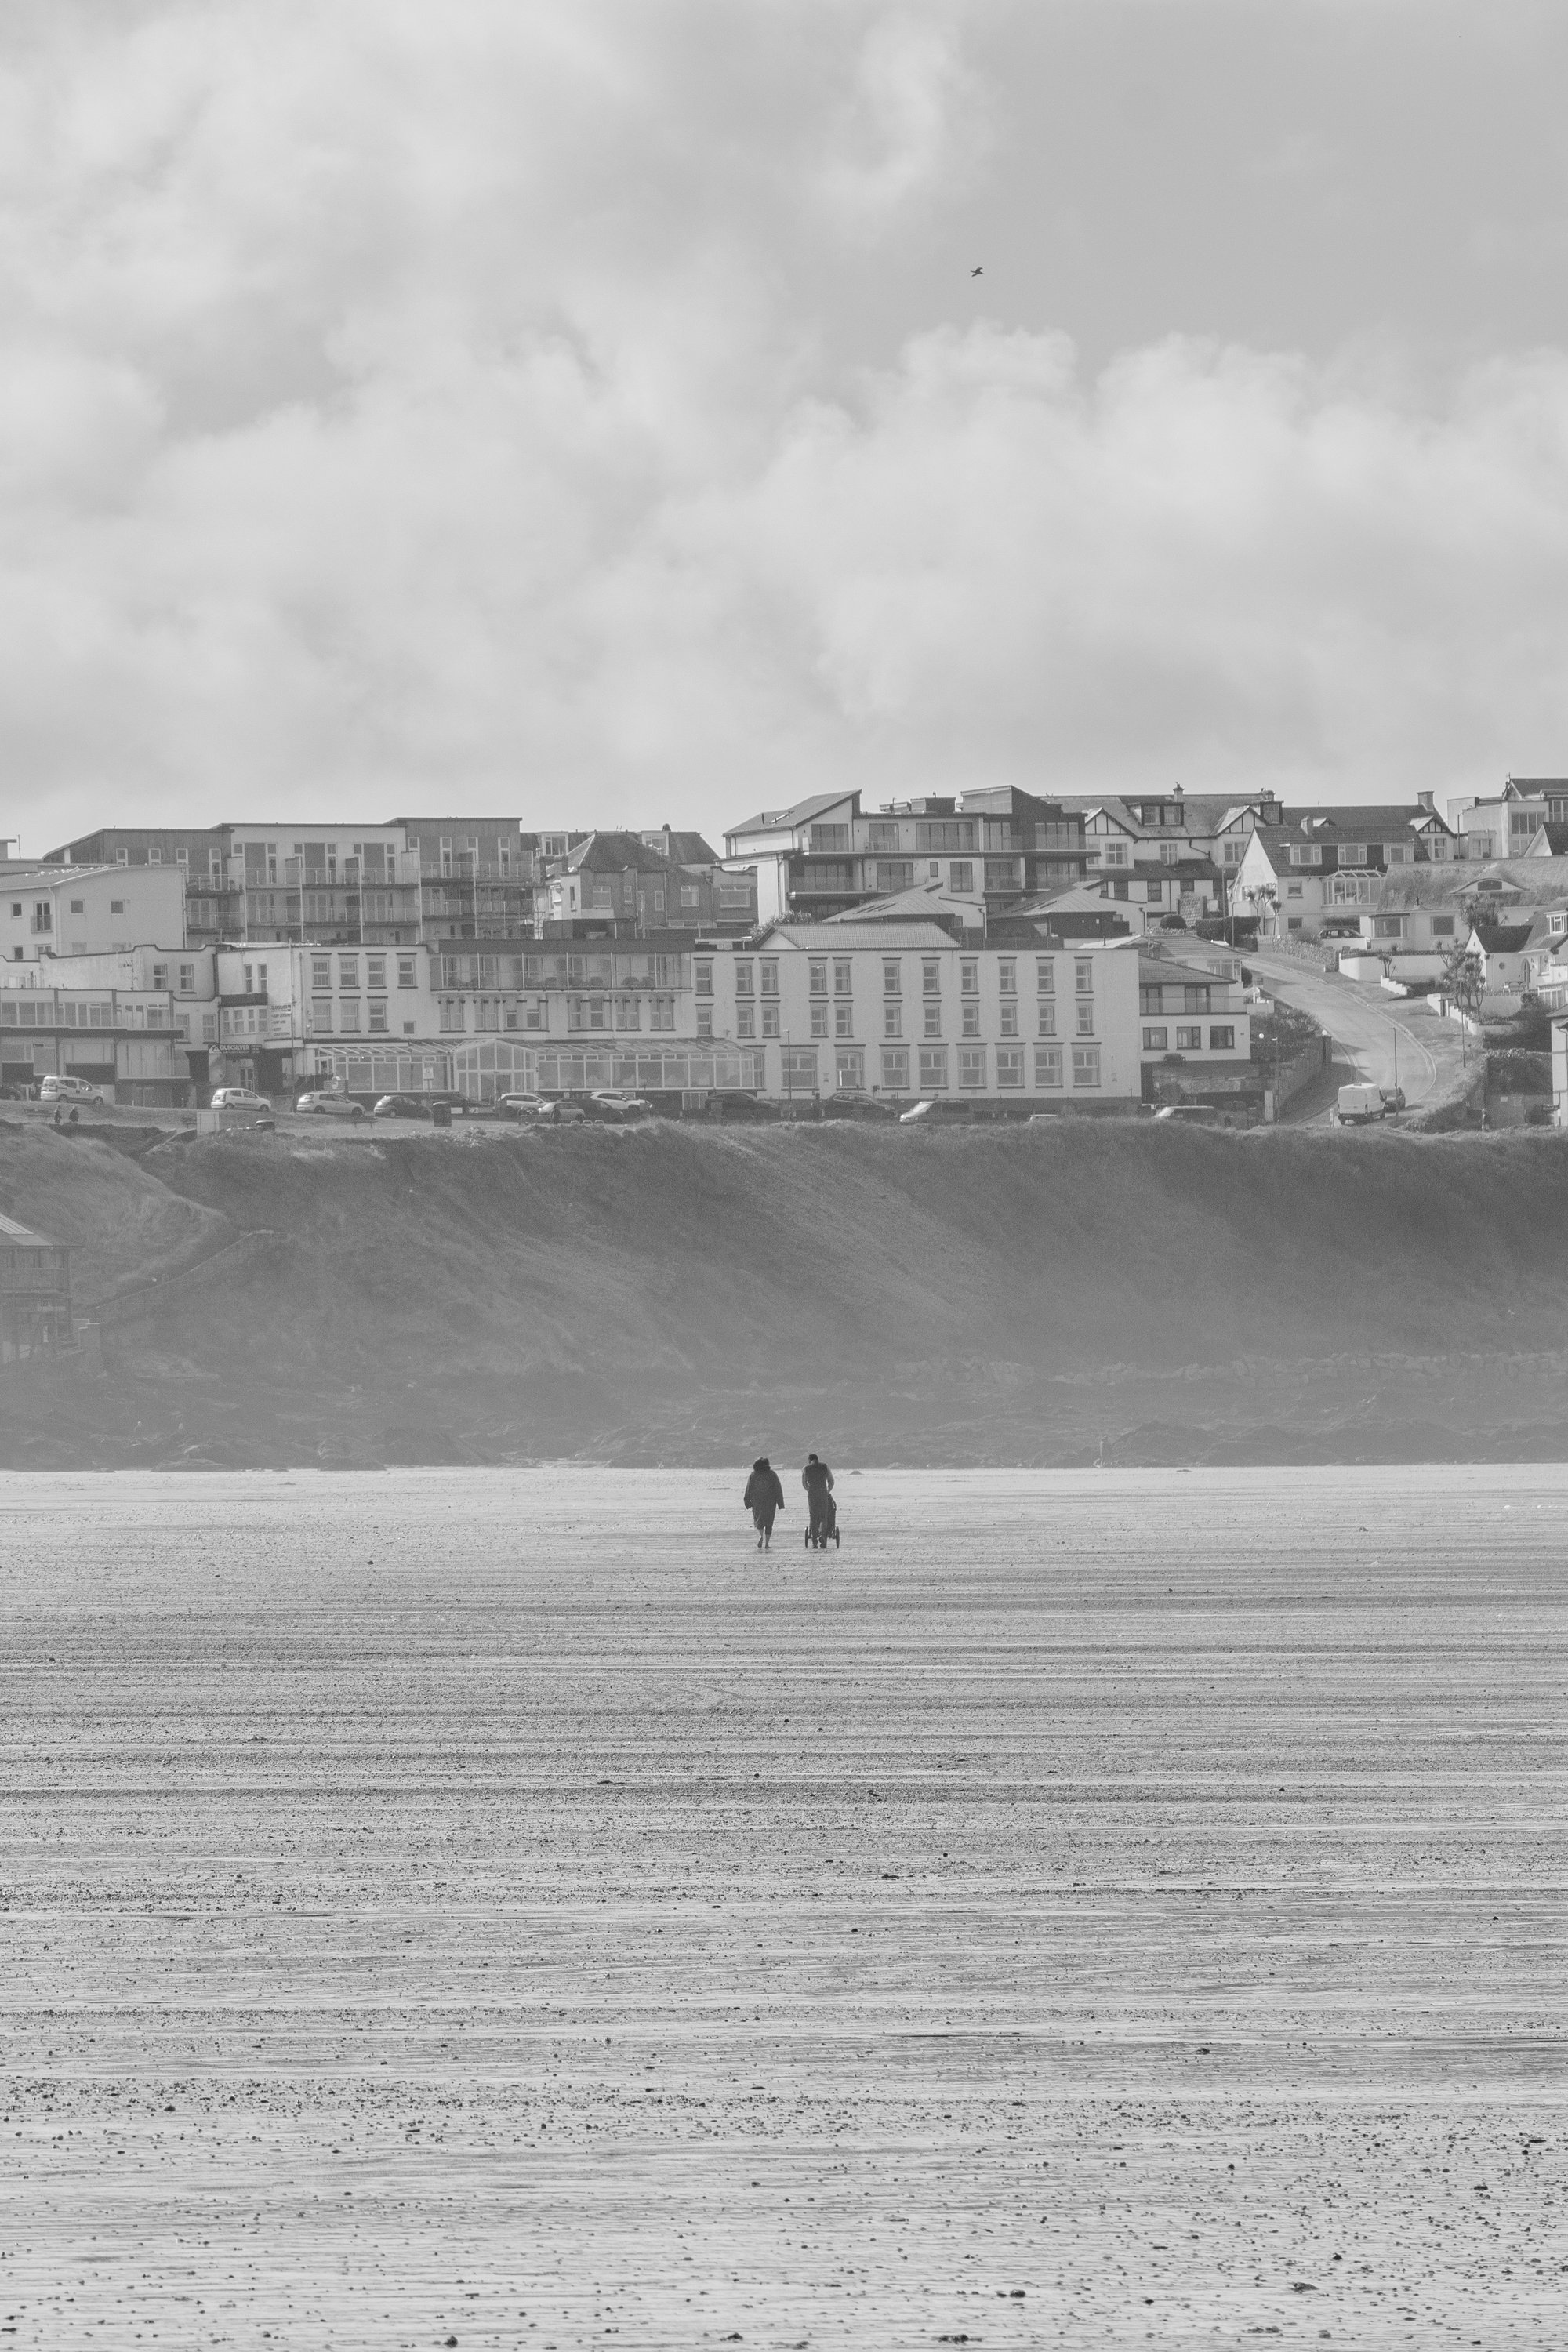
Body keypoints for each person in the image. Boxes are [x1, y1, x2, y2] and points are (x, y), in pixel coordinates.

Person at [743, 1457, 785, 1550]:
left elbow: (748, 1488)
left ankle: (760, 1536)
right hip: (770, 1501)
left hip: (757, 1501)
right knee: (769, 1522)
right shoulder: (772, 1474)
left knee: (759, 1520)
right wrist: (780, 1503)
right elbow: (778, 1488)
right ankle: (767, 1544)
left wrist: (747, 1501)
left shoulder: (753, 1475)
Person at [801, 1452, 836, 1547]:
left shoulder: (806, 1468)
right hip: (823, 1494)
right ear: (817, 1459)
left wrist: (809, 1490)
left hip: (812, 1494)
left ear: (810, 1460)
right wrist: (828, 1491)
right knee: (823, 1517)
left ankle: (814, 1541)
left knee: (813, 1517)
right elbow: (831, 1481)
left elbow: (804, 1483)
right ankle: (822, 1535)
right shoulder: (825, 1466)